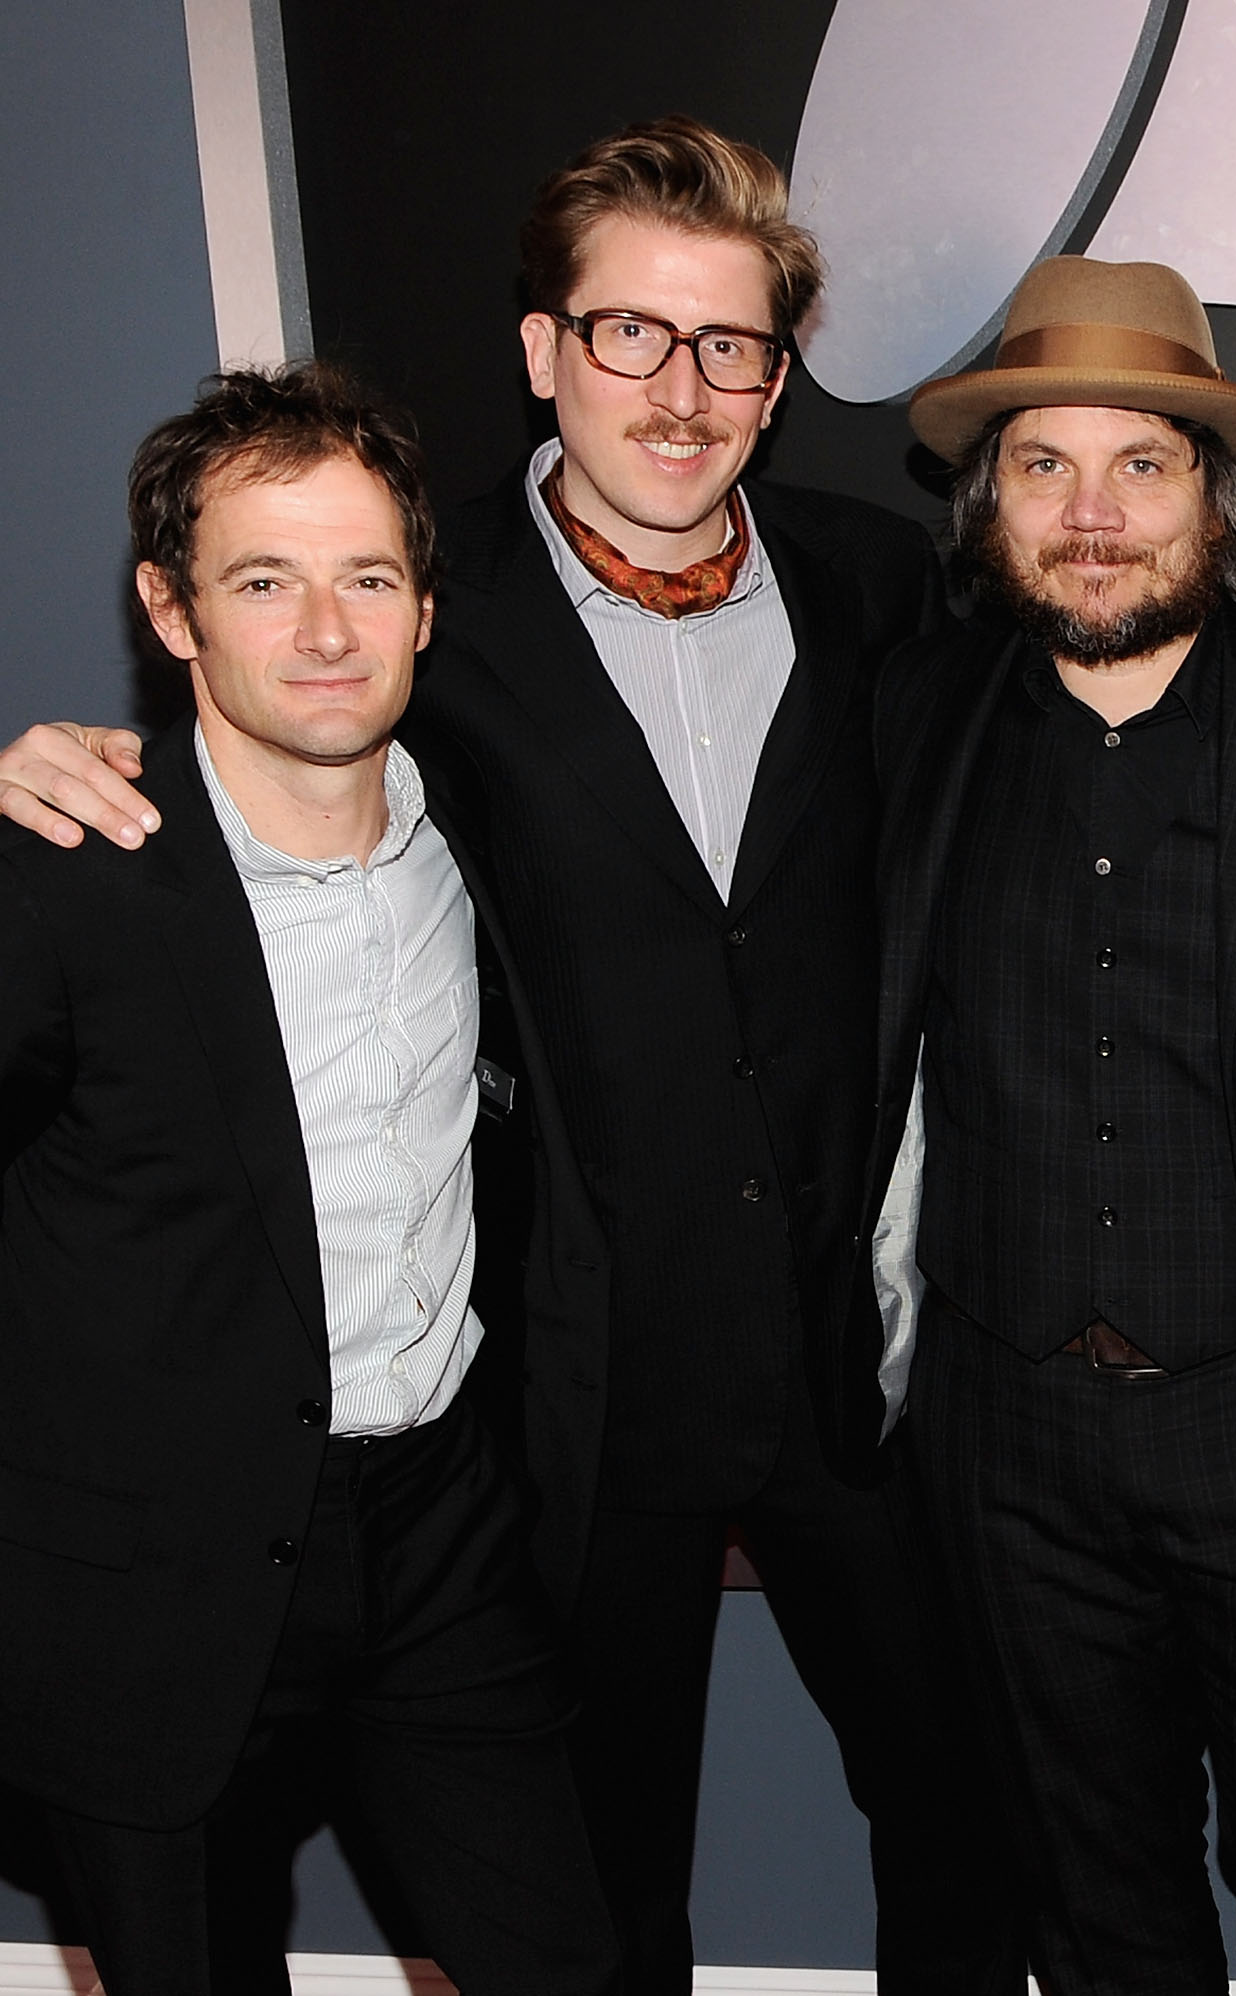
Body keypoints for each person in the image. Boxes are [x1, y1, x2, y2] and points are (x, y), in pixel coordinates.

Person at [0, 120, 1013, 1993]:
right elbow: (246, 746)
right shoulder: (412, 601)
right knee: (602, 1877)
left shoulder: (883, 585)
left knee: (967, 1813)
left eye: (729, 347)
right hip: (581, 1387)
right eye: (630, 333)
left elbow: (1067, 702)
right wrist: (37, 761)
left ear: (778, 378)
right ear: (544, 349)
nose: (680, 392)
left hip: (848, 1362)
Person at [850, 254, 1236, 1995]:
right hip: (1010, 1441)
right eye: (1044, 465)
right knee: (1098, 1920)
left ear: (1220, 498)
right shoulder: (909, 721)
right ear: (990, 502)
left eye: (1144, 463)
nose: (1094, 514)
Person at [0, 364, 616, 1992]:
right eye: (265, 581)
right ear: (173, 610)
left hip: (441, 1533)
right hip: (160, 1572)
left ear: (425, 606)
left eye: (368, 578)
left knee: (568, 1961)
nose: (328, 631)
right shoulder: (64, 878)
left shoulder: (483, 822)